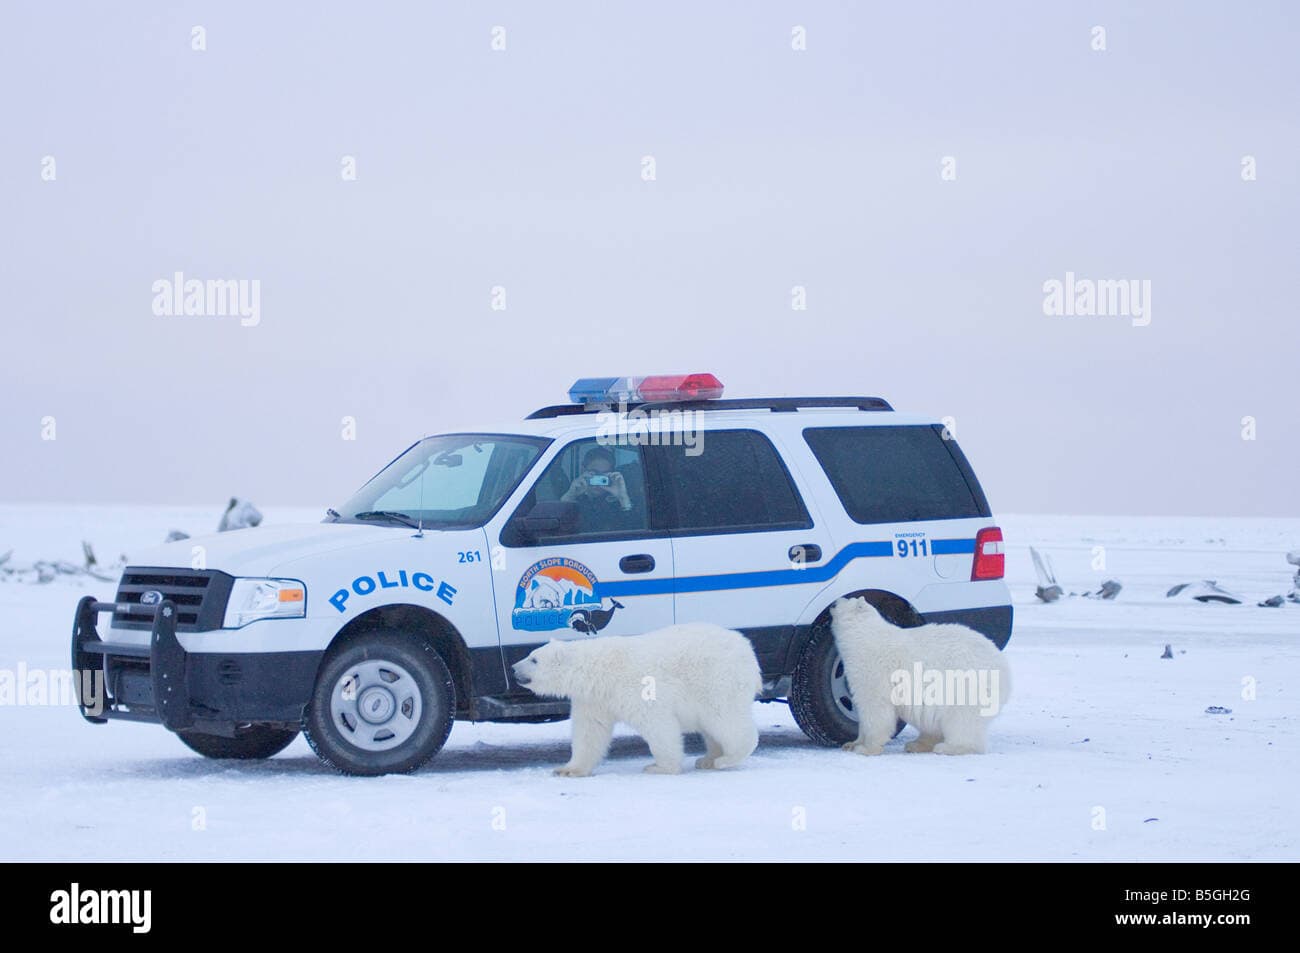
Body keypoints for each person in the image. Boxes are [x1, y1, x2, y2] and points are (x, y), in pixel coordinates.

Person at [561, 446, 633, 518]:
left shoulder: (616, 502)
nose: (599, 479)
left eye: (604, 474)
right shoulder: (574, 496)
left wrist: (623, 498)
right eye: (594, 472)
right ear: (583, 470)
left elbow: (631, 523)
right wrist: (570, 495)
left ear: (611, 474)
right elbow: (559, 521)